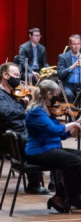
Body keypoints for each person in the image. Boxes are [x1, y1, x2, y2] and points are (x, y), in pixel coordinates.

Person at [24, 80, 81, 212]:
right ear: (48, 94)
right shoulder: (36, 111)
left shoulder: (49, 111)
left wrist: (79, 119)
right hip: (39, 152)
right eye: (56, 94)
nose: (58, 98)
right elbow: (54, 130)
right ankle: (61, 197)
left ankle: (73, 197)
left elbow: (62, 135)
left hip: (51, 148)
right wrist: (72, 125)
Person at [0, 62, 48, 194]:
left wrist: (28, 102)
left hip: (21, 131)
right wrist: (27, 111)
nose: (18, 78)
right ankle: (34, 183)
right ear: (5, 75)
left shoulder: (15, 94)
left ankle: (56, 180)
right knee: (35, 141)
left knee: (48, 135)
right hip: (7, 137)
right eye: (15, 75)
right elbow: (7, 113)